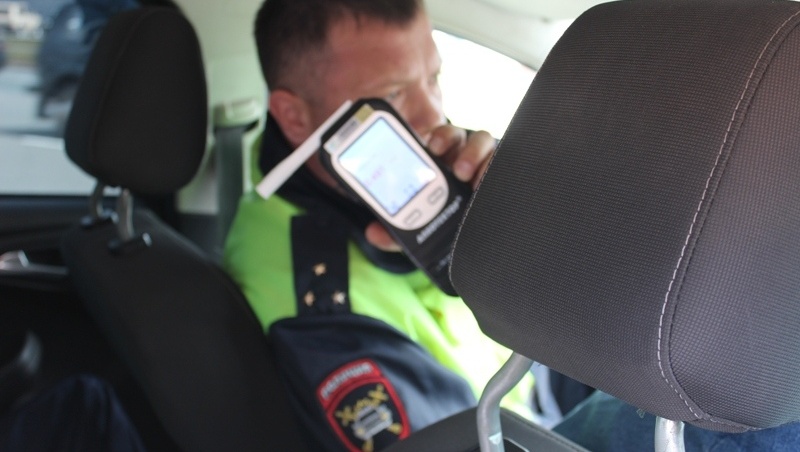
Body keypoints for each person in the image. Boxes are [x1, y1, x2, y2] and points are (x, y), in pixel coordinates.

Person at [223, 0, 534, 448]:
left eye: (433, 79)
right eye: (391, 97)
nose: (434, 117)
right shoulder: (318, 306)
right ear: (295, 117)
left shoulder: (406, 185)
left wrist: (515, 223)